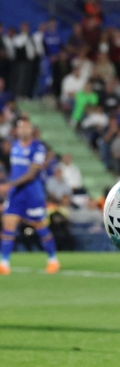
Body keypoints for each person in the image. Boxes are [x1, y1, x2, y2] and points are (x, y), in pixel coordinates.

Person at [0, 117, 60, 275]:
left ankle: (53, 259)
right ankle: (4, 263)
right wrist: (11, 186)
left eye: (27, 127)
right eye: (21, 127)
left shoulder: (37, 148)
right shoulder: (14, 147)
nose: (24, 130)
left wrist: (9, 185)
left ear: (31, 129)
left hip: (33, 192)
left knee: (40, 226)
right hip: (16, 194)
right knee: (8, 223)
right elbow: (15, 171)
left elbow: (31, 174)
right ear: (17, 130)